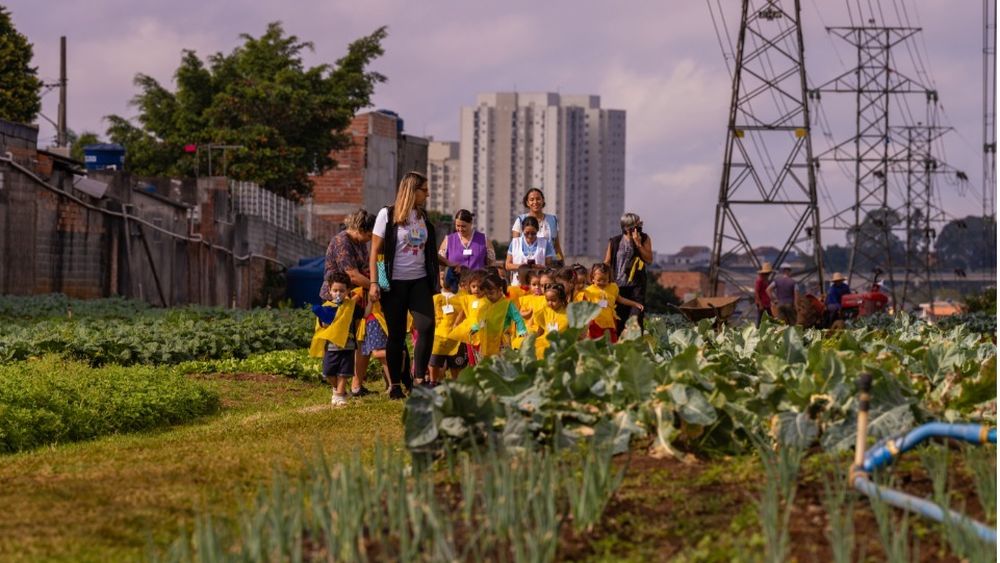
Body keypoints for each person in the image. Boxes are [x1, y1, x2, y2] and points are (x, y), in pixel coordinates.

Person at [369, 172, 455, 399]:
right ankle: (396, 384)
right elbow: (375, 251)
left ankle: (419, 380)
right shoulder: (387, 215)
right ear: (411, 190)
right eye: (424, 190)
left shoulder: (422, 216)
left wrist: (448, 263)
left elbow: (428, 251)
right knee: (396, 335)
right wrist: (375, 282)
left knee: (426, 326)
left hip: (419, 281)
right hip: (393, 283)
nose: (427, 194)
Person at [319, 208, 377, 397]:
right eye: (369, 235)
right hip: (336, 301)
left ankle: (354, 386)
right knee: (338, 345)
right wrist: (375, 287)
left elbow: (367, 268)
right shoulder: (342, 241)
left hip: (353, 300)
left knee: (356, 341)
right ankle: (337, 386)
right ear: (360, 229)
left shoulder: (360, 243)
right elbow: (351, 274)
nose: (370, 239)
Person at [309, 272, 364, 407]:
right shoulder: (327, 307)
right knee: (328, 372)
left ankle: (339, 396)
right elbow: (324, 326)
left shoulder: (351, 306)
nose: (338, 293)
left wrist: (371, 302)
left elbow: (363, 315)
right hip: (331, 346)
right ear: (329, 290)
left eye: (341, 290)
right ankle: (338, 390)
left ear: (348, 291)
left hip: (348, 346)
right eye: (335, 290)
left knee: (344, 373)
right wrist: (328, 315)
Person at [450, 273, 527, 360]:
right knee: (486, 364)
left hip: (502, 341)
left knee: (502, 365)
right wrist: (476, 327)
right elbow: (482, 318)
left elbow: (518, 318)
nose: (489, 296)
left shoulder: (507, 304)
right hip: (487, 340)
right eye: (486, 294)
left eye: (491, 293)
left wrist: (521, 331)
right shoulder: (486, 304)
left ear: (500, 289)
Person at [603, 213, 653, 334]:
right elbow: (607, 262)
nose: (639, 227)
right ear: (627, 227)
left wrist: (638, 244)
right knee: (619, 318)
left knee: (635, 318)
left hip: (636, 286)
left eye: (640, 224)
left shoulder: (644, 238)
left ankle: (636, 345)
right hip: (618, 286)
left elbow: (649, 259)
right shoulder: (615, 241)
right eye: (637, 225)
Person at [582, 263, 644, 342]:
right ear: (592, 278)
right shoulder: (588, 291)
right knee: (595, 345)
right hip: (595, 324)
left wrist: (635, 304)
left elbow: (620, 299)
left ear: (609, 278)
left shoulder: (613, 287)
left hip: (610, 323)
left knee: (611, 344)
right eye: (599, 280)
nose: (602, 282)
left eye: (605, 280)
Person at [429, 269, 466, 383]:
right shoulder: (435, 298)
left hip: (455, 339)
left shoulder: (461, 299)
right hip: (437, 339)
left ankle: (457, 386)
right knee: (434, 364)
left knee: (456, 366)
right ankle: (433, 383)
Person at [511, 188, 563, 264]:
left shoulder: (552, 220)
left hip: (550, 265)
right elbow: (516, 247)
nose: (535, 202)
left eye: (538, 199)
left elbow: (556, 247)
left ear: (543, 200)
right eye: (532, 199)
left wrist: (560, 261)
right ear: (527, 203)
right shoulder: (520, 220)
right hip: (527, 265)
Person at [506, 216, 556, 285]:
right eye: (527, 233)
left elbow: (549, 265)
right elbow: (507, 265)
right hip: (518, 283)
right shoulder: (515, 243)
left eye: (533, 233)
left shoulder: (545, 243)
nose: (530, 236)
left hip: (538, 284)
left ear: (537, 230)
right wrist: (522, 267)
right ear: (522, 230)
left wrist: (541, 267)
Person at [534, 282, 570, 358]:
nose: (550, 303)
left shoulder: (568, 313)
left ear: (561, 299)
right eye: (547, 300)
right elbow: (540, 329)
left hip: (560, 343)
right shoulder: (545, 310)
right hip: (545, 340)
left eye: (553, 300)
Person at [754, 262, 774, 327]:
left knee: (770, 318)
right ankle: (757, 330)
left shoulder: (766, 280)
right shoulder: (759, 280)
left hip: (767, 303)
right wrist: (760, 304)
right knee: (760, 319)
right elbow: (756, 292)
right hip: (762, 303)